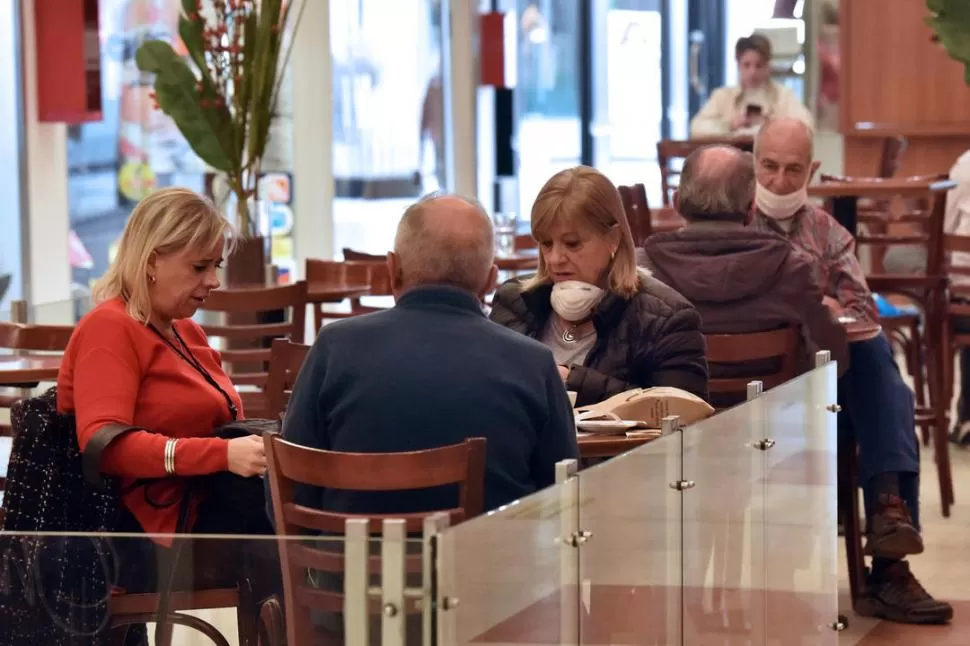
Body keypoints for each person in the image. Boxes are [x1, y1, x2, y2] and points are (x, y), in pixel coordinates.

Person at [748, 117, 952, 624]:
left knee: (877, 359)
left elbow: (861, 311)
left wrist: (823, 311)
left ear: (812, 171)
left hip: (825, 378)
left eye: (793, 170)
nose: (778, 181)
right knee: (879, 376)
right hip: (758, 385)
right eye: (769, 167)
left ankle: (888, 522)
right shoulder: (733, 221)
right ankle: (888, 552)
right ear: (753, 163)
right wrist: (803, 303)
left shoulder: (826, 231)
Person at [279, 194, 578, 515]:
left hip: (353, 563)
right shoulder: (532, 363)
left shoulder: (334, 348)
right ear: (491, 280)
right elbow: (561, 499)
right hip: (491, 562)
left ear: (392, 269)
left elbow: (289, 492)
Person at [57, 187, 273, 596]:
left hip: (193, 517)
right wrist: (223, 455)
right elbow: (104, 445)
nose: (214, 280)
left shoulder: (185, 330)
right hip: (141, 539)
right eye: (199, 267)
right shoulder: (110, 329)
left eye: (217, 265)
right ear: (153, 260)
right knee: (294, 530)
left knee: (294, 508)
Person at [642, 145, 848, 407]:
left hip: (671, 431)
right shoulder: (792, 269)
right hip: (771, 428)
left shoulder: (642, 271)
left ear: (677, 202)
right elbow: (831, 359)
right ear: (752, 208)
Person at [489, 166, 708, 407]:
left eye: (572, 244)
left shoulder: (667, 318)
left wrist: (571, 381)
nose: (554, 259)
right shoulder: (514, 301)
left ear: (613, 239)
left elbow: (681, 416)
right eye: (546, 244)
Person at [882, 149, 970, 446]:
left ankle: (926, 329)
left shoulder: (967, 163)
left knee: (900, 260)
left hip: (963, 306)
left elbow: (941, 229)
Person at [690, 34, 814, 137]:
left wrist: (770, 125)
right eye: (747, 65)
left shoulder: (784, 96)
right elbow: (696, 127)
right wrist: (729, 125)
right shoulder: (722, 96)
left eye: (759, 65)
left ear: (768, 66)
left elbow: (807, 126)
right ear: (738, 65)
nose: (752, 72)